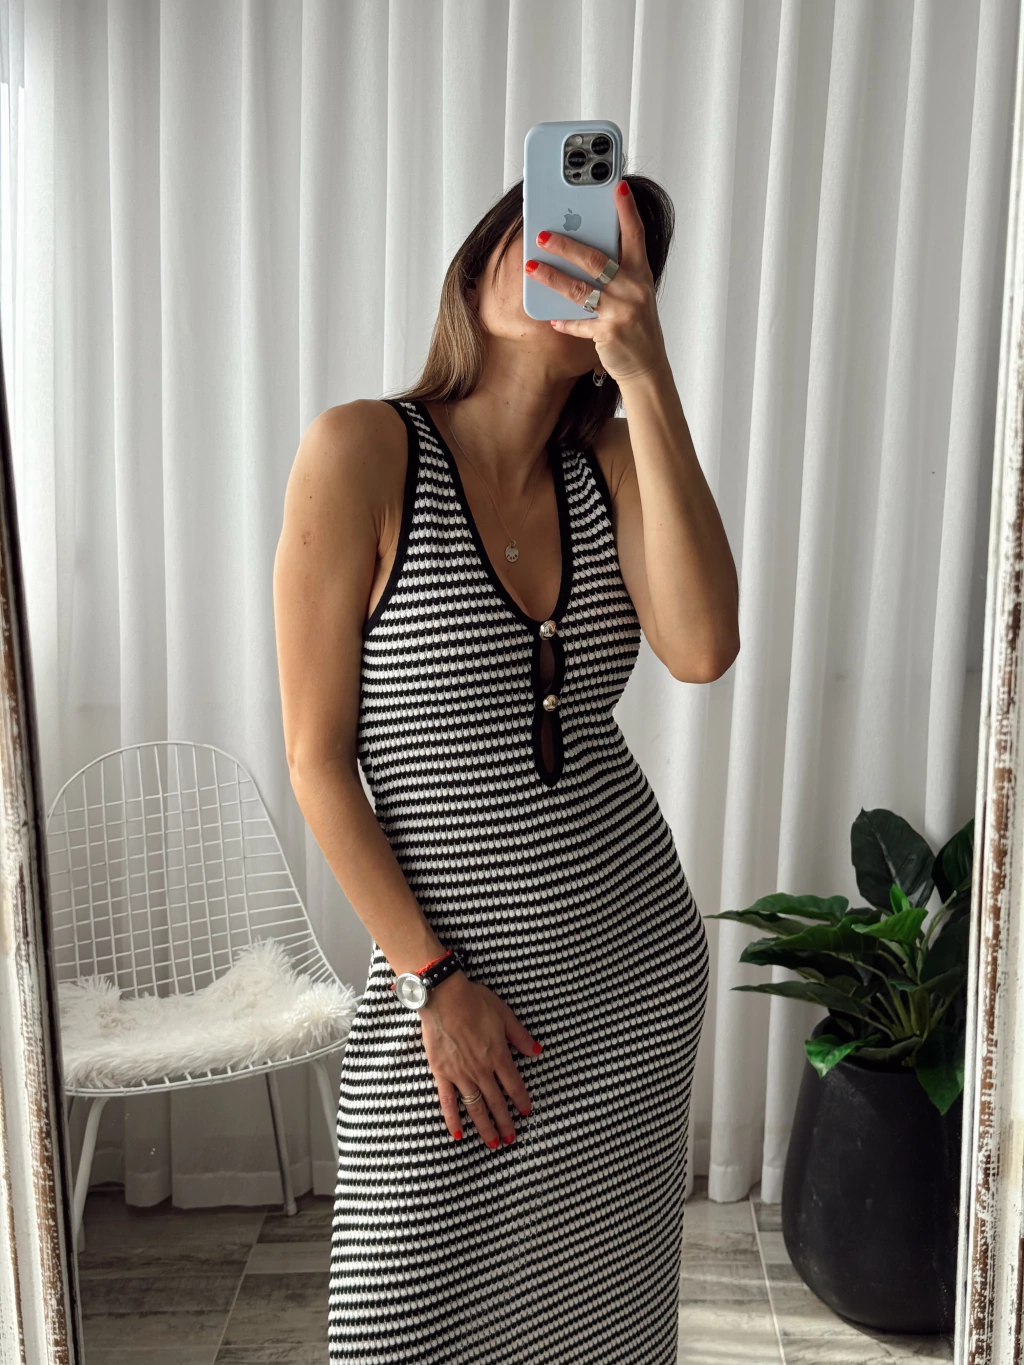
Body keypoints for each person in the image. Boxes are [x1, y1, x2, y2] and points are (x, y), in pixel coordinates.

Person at [273, 170, 738, 1364]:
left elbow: (700, 648)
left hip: (629, 981)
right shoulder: (363, 449)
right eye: (548, 229)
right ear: (483, 259)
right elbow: (318, 760)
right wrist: (432, 981)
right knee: (396, 1329)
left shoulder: (613, 465)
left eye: (612, 255)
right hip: (452, 993)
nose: (572, 258)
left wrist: (647, 376)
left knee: (600, 1329)